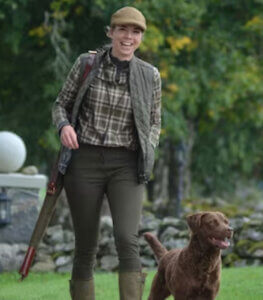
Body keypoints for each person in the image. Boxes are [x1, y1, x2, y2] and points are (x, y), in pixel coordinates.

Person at [52, 6, 161, 300]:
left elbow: (154, 121)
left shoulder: (150, 76)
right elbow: (61, 103)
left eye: (135, 31)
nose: (128, 36)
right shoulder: (87, 63)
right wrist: (63, 126)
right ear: (110, 32)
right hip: (84, 162)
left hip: (127, 165)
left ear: (141, 37)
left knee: (127, 238)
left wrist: (148, 147)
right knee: (86, 243)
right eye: (122, 29)